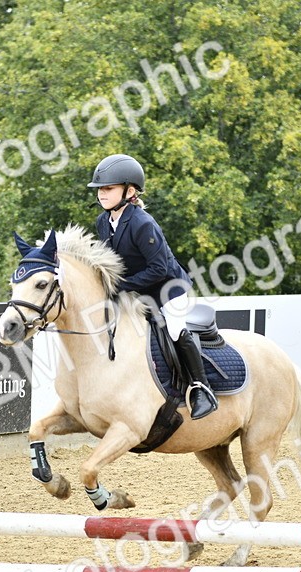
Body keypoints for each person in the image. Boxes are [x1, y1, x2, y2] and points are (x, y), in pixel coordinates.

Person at [88, 154, 218, 419]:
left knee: (174, 328)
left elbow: (158, 269)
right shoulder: (104, 222)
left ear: (130, 191)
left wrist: (122, 286)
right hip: (138, 291)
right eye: (100, 189)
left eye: (108, 188)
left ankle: (201, 388)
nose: (102, 194)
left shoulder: (142, 223)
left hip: (169, 289)